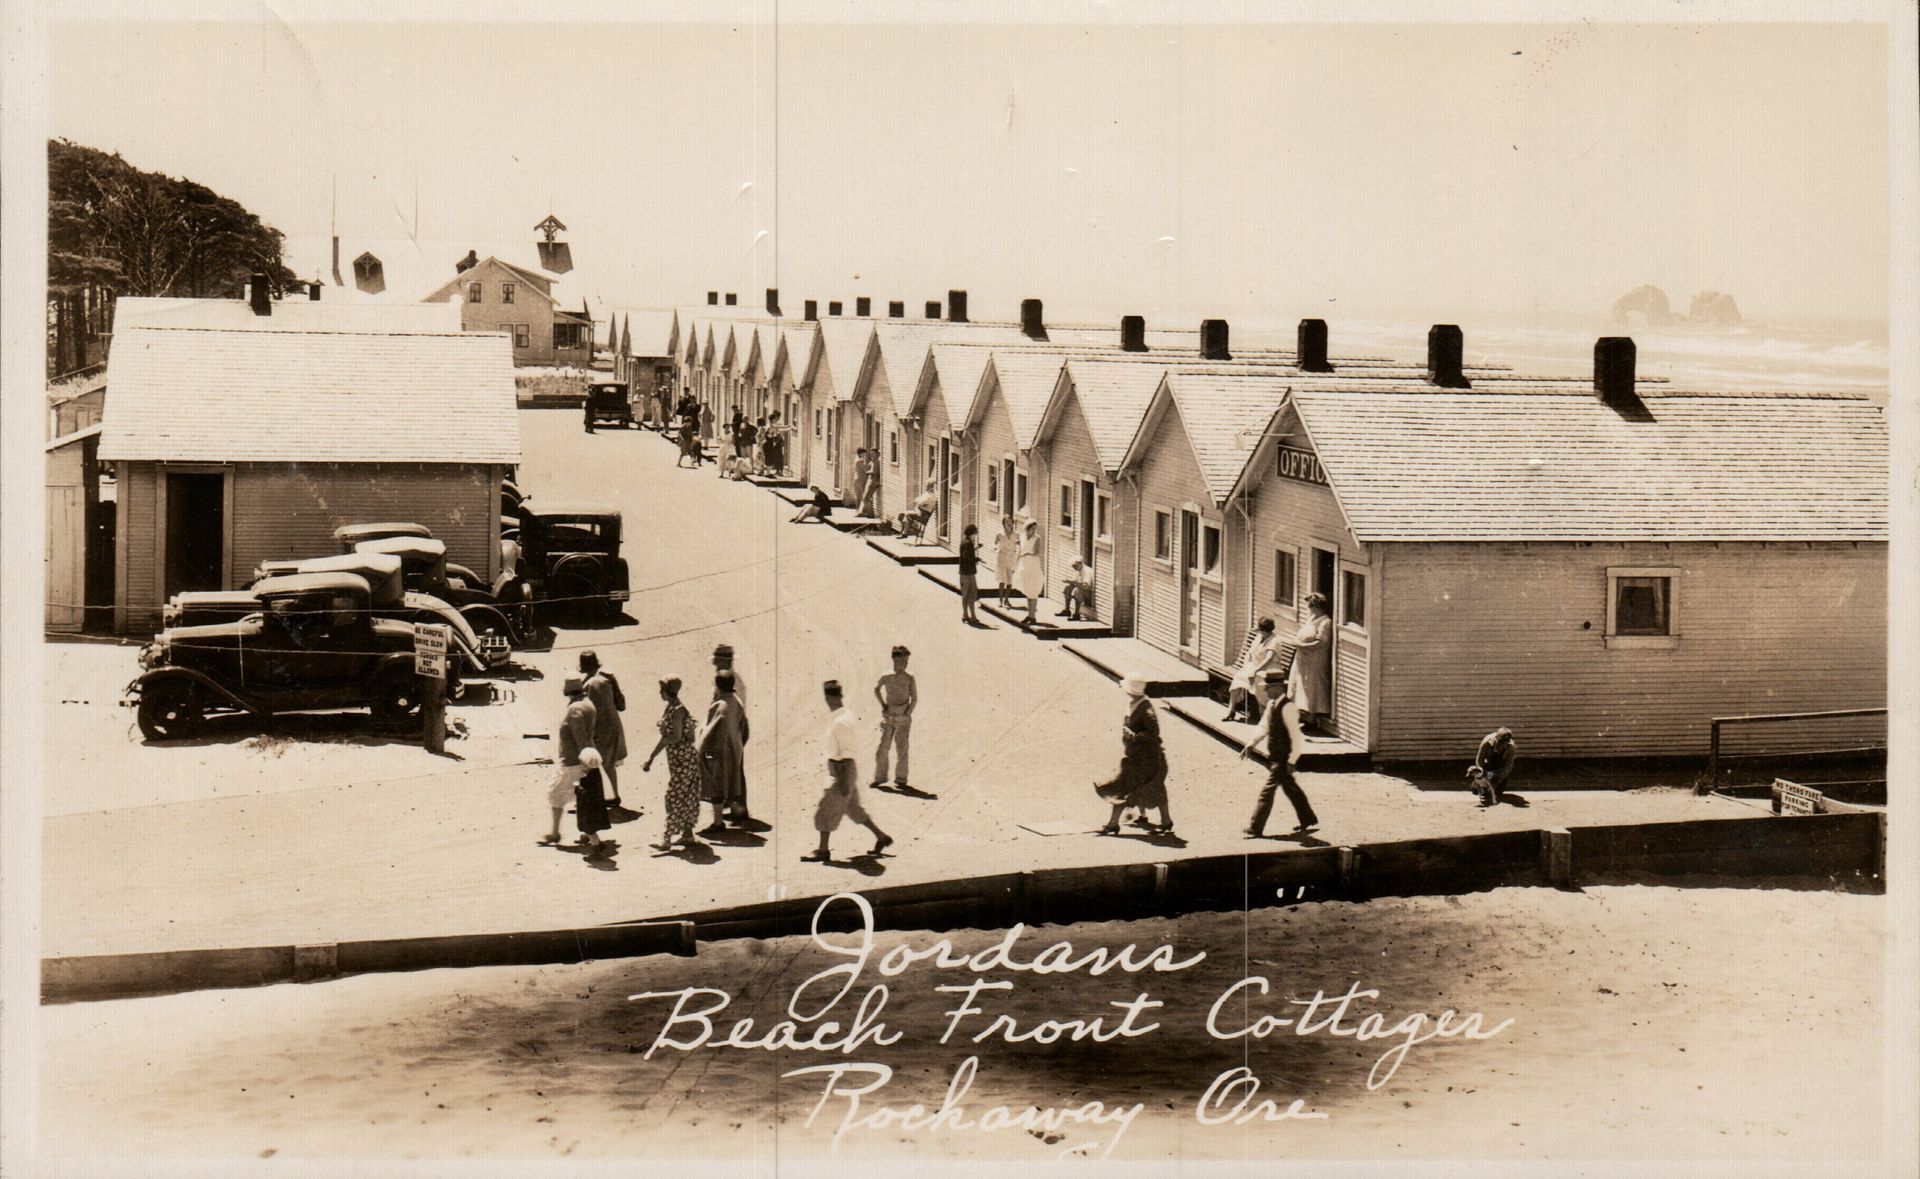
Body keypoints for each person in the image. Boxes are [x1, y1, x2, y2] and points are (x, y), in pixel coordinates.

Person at [803, 680, 893, 864]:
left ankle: (823, 851)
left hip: (841, 769)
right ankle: (881, 837)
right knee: (853, 808)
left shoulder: (840, 721)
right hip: (844, 768)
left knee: (825, 810)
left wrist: (843, 780)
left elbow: (845, 751)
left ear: (829, 697)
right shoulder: (844, 714)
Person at [539, 675, 611, 857]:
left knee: (555, 793)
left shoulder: (574, 710)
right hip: (585, 760)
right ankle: (587, 835)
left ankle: (555, 833)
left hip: (573, 762)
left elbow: (580, 738)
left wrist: (583, 762)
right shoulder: (588, 704)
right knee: (583, 799)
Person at [1095, 675, 1173, 836]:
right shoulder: (1137, 704)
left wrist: (1133, 735)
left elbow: (1153, 733)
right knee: (1139, 788)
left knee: (1137, 788)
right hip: (1136, 757)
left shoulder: (1146, 709)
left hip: (1148, 759)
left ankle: (1113, 823)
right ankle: (1164, 821)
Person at [1243, 673, 1317, 837]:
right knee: (1290, 788)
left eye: (1268, 689)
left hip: (1283, 757)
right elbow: (1264, 727)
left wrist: (1292, 760)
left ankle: (1255, 828)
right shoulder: (1271, 705)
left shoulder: (1288, 708)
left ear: (1277, 688)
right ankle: (1308, 818)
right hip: (1275, 755)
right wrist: (1251, 744)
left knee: (1267, 791)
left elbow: (1296, 736)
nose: (1266, 692)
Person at [641, 677, 703, 850]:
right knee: (686, 796)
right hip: (681, 760)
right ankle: (688, 834)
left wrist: (652, 757)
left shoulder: (677, 710)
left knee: (674, 797)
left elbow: (674, 737)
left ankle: (667, 838)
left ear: (668, 691)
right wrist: (651, 757)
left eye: (662, 690)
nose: (660, 693)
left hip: (683, 761)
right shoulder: (673, 707)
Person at [696, 669, 751, 831]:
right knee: (725, 784)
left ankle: (718, 822)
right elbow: (744, 728)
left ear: (718, 687)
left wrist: (698, 751)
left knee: (715, 786)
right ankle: (726, 816)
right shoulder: (737, 701)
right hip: (734, 750)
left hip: (718, 753)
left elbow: (708, 731)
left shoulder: (720, 705)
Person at [579, 649, 627, 807]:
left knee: (593, 765)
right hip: (613, 725)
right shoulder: (606, 677)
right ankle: (613, 796)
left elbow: (593, 712)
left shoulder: (591, 684)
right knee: (609, 764)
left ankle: (597, 799)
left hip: (602, 729)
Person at [871, 645, 917, 790]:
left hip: (902, 718)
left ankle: (901, 779)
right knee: (882, 748)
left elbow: (914, 698)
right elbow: (876, 689)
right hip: (888, 717)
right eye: (904, 660)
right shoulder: (886, 676)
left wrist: (908, 713)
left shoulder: (909, 677)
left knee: (902, 749)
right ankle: (880, 777)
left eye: (907, 660)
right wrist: (883, 705)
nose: (906, 663)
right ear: (895, 660)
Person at [1288, 592, 1334, 732]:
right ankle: (1303, 716)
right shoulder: (1312, 619)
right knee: (1302, 687)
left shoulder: (1326, 622)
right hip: (1303, 659)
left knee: (1313, 688)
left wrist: (1302, 646)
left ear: (1317, 606)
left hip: (1316, 660)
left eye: (1310, 606)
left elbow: (1321, 642)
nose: (1309, 608)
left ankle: (1312, 719)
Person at [1226, 617, 1282, 723]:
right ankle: (1231, 710)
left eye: (1262, 630)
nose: (1261, 632)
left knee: (1257, 680)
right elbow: (1250, 653)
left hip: (1270, 669)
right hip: (1255, 665)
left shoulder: (1274, 641)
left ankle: (1263, 714)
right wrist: (1246, 665)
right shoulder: (1259, 637)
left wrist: (1255, 670)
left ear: (1267, 630)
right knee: (1238, 676)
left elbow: (1269, 659)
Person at [1470, 727, 1517, 807]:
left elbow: (1508, 766)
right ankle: (1478, 785)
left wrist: (1497, 780)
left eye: (1504, 745)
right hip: (1487, 764)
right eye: (1500, 744)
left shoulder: (1511, 746)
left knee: (1497, 791)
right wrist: (1481, 776)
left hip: (1500, 767)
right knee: (1476, 790)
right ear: (1496, 740)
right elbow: (1479, 759)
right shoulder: (1487, 742)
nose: (1501, 747)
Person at [1013, 518, 1045, 627]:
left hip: (1033, 566)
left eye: (1035, 529)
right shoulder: (1022, 537)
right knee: (1027, 591)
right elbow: (1019, 550)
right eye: (1032, 529)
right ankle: (1029, 615)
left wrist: (1025, 553)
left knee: (1033, 591)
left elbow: (1036, 552)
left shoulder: (1037, 538)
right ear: (1027, 529)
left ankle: (1033, 617)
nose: (1034, 531)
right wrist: (1016, 564)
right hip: (1024, 565)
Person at [958, 524, 983, 626]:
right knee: (971, 596)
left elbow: (966, 554)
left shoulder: (964, 543)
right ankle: (973, 616)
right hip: (969, 573)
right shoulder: (968, 544)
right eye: (975, 534)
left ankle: (965, 614)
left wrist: (975, 549)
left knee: (965, 595)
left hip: (963, 573)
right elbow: (967, 557)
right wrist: (976, 559)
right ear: (971, 534)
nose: (975, 536)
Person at [993, 513, 1020, 608]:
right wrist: (996, 549)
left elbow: (1020, 545)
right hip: (1001, 558)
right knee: (1002, 580)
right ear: (1003, 523)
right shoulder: (1000, 534)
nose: (1009, 524)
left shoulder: (1016, 535)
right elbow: (995, 544)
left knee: (1009, 580)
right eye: (1006, 522)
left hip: (1011, 558)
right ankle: (1000, 600)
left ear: (1013, 523)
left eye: (1010, 522)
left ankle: (1006, 600)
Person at [711, 643, 746, 707]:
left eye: (718, 662)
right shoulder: (718, 680)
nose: (715, 665)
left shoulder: (735, 682)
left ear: (726, 662)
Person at [858, 449, 881, 518]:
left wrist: (867, 472)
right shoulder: (873, 461)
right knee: (866, 497)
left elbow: (875, 472)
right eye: (871, 454)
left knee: (867, 497)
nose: (872, 456)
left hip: (873, 481)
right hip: (870, 480)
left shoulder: (877, 461)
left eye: (873, 454)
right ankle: (868, 512)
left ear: (877, 454)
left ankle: (869, 513)